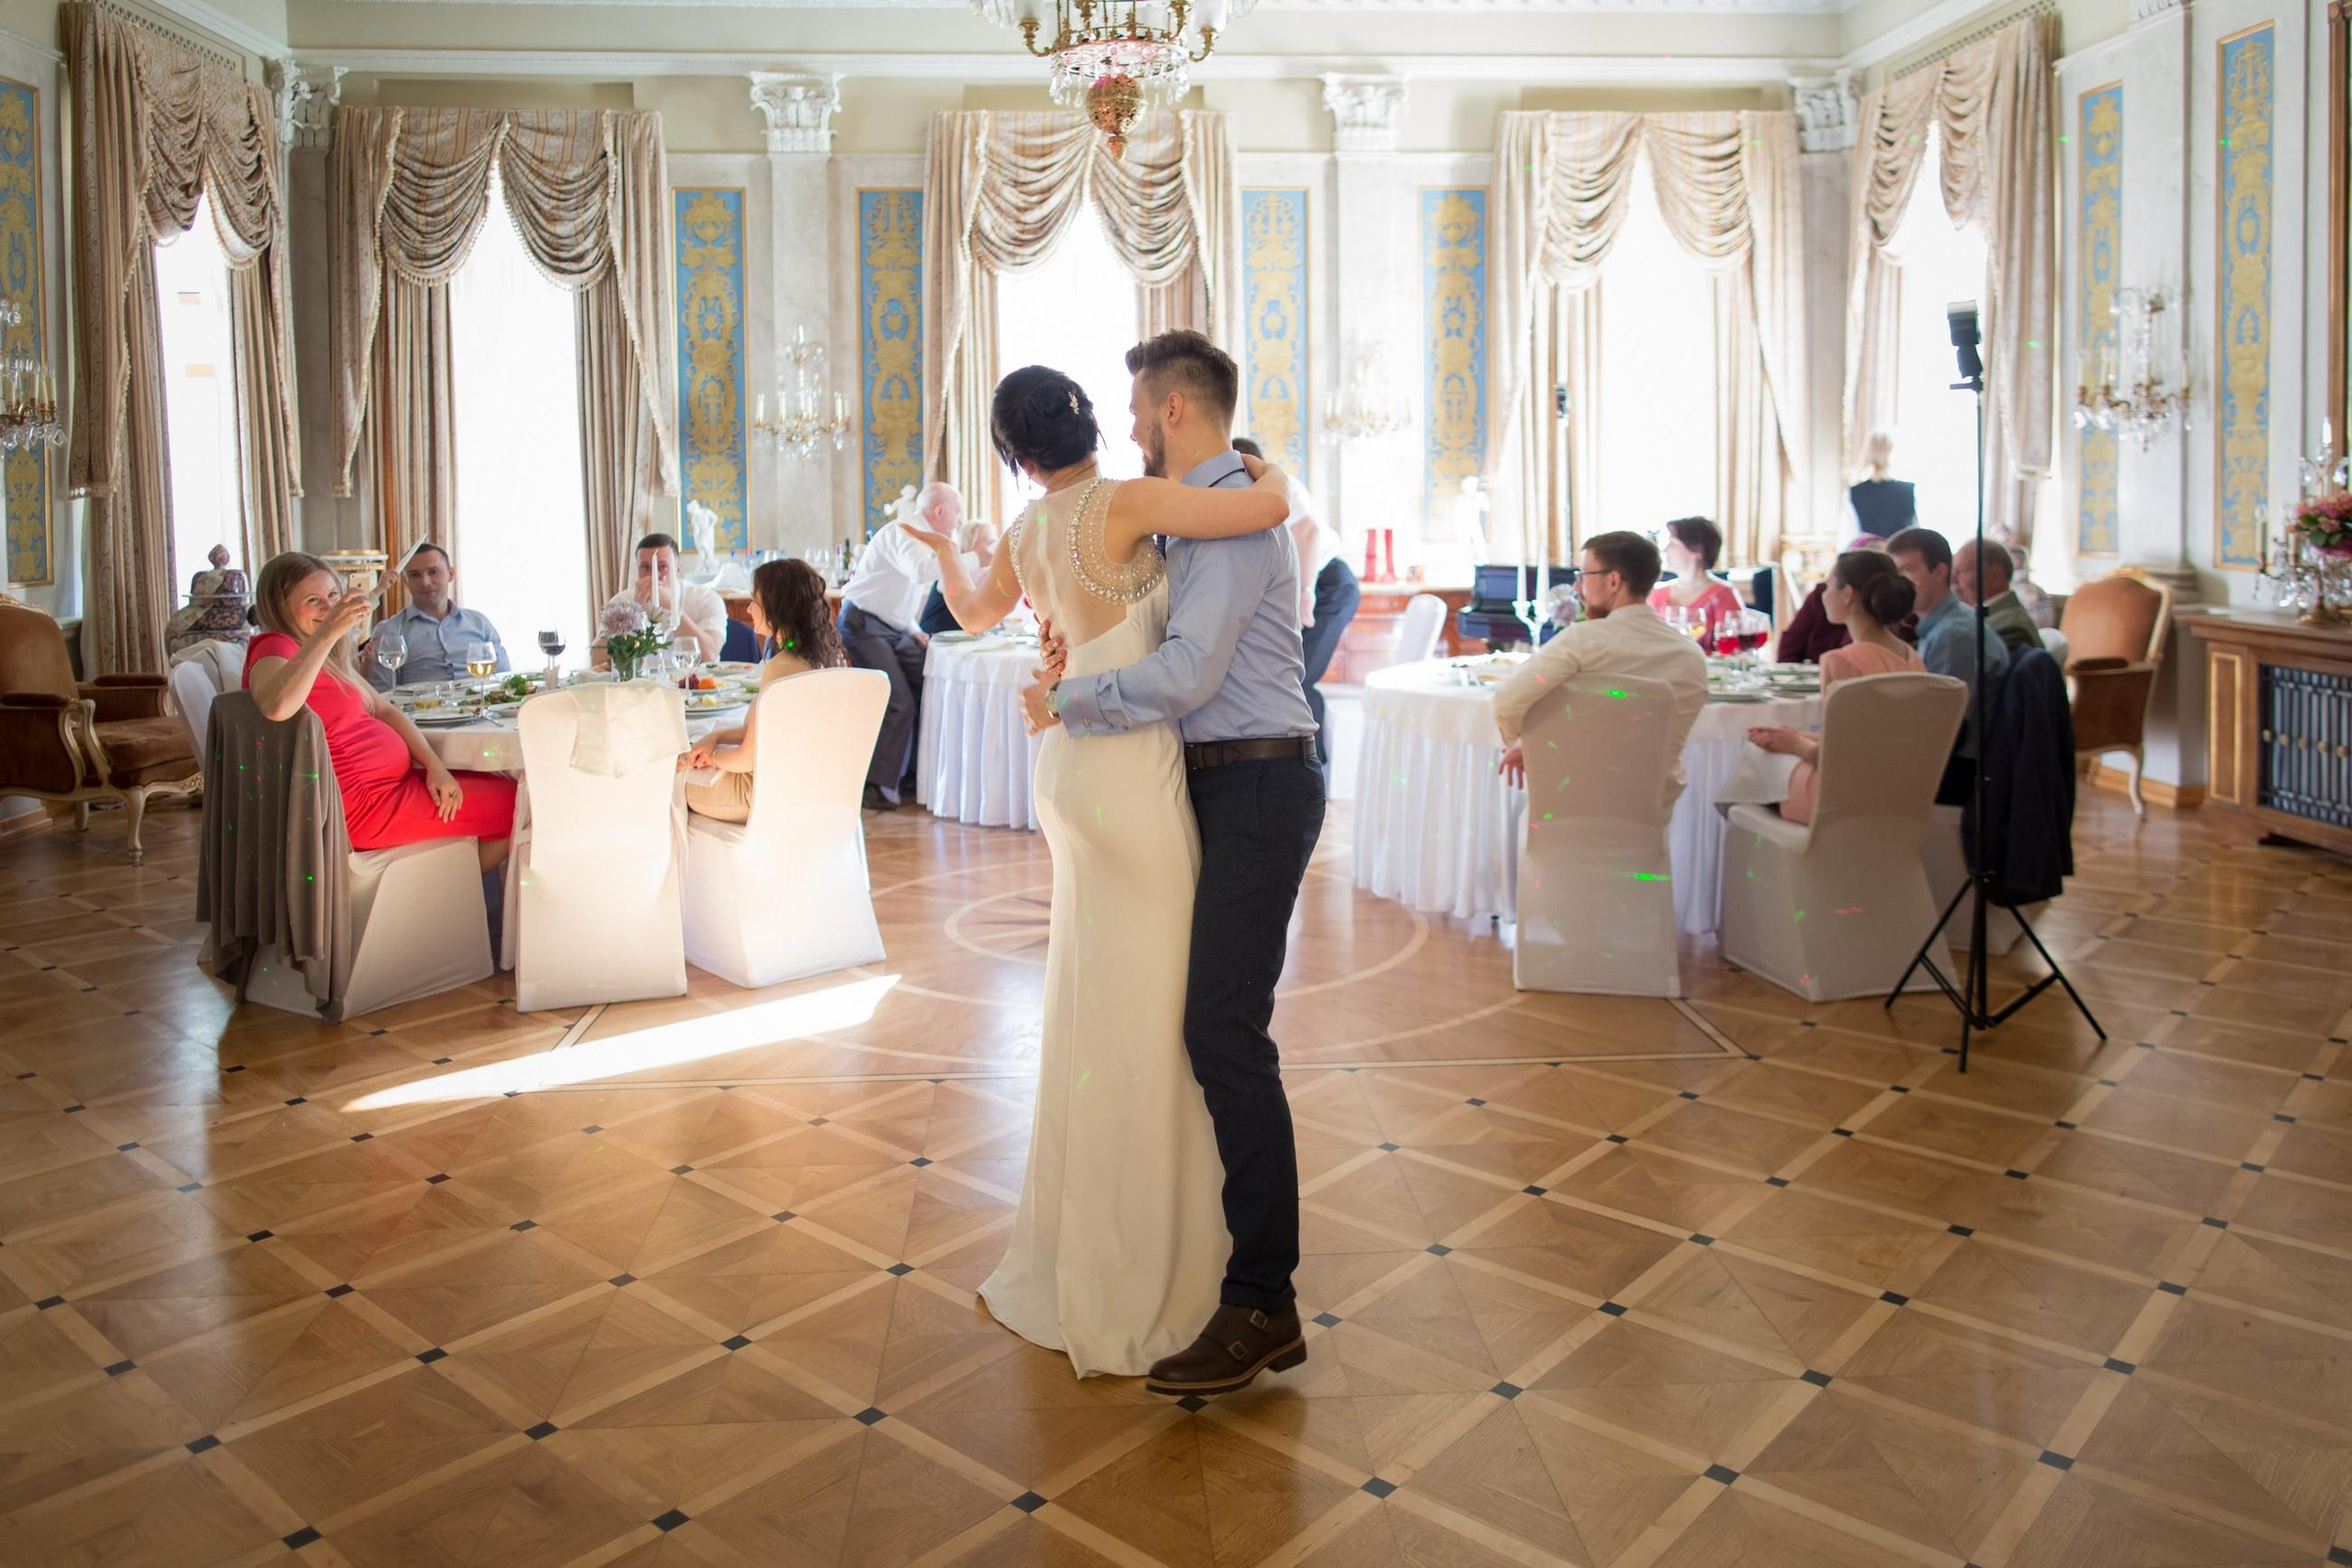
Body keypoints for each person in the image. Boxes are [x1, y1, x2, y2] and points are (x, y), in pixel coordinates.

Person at [910, 336, 1309, 1395]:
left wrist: (964, 564)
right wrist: (1271, 471)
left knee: (1127, 1010)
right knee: (1165, 1018)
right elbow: (1262, 520)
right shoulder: (1138, 504)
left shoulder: (1053, 525)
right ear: (1089, 423)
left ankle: (1171, 1267)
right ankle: (1181, 1271)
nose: (1134, 424)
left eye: (1145, 407)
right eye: (1118, 413)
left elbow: (981, 615)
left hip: (1094, 771)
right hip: (1136, 775)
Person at [243, 553, 515, 871]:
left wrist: (434, 764)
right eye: (313, 600)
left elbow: (383, 709)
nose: (329, 609)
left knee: (503, 783)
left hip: (391, 789)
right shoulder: (274, 646)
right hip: (365, 807)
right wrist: (328, 633)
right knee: (517, 803)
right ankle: (449, 898)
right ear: (280, 606)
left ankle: (453, 891)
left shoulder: (321, 657)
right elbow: (276, 706)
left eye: (333, 596)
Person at [1494, 530, 1709, 811]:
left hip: (1564, 810)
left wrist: (1522, 745)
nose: (1576, 587)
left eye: (1583, 576)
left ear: (1613, 580)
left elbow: (1506, 701)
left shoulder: (1582, 641)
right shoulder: (1690, 656)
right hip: (1649, 816)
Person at [1744, 550, 1928, 823]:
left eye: (1828, 585)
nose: (1823, 594)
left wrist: (1795, 744)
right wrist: (1795, 736)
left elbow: (1840, 759)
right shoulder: (1910, 656)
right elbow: (1871, 740)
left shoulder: (1842, 662)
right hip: (1896, 795)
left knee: (1750, 771)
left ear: (1847, 593)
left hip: (1843, 798)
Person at [840, 480, 980, 809]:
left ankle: (917, 774)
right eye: (958, 512)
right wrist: (975, 557)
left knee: (930, 680)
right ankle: (878, 786)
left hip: (891, 626)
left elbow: (895, 593)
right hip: (862, 624)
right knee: (897, 700)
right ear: (941, 511)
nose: (959, 520)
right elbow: (919, 572)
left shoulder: (923, 536)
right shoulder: (906, 531)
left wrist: (912, 628)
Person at [677, 559, 843, 823]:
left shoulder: (781, 666)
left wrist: (711, 756)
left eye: (755, 600)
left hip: (757, 796)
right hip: (801, 789)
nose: (749, 608)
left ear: (778, 607)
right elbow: (767, 733)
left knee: (666, 781)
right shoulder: (819, 658)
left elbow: (746, 760)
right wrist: (715, 737)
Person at [1234, 436, 1357, 789]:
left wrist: (1305, 594)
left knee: (1299, 680)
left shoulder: (1279, 483)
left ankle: (1312, 777)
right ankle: (1308, 772)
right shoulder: (1247, 497)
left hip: (1329, 586)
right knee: (1292, 679)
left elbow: (1309, 532)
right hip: (1308, 588)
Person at [1887, 525, 2009, 806]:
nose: (1898, 583)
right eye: (1895, 574)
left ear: (1940, 572)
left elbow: (1942, 728)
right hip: (1955, 761)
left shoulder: (1953, 635)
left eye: (1907, 570)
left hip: (1959, 774)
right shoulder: (1944, 625)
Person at [362, 542, 510, 690]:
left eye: (433, 572)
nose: (425, 582)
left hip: (481, 707)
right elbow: (383, 696)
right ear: (406, 581)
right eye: (415, 575)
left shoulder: (479, 623)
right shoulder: (390, 631)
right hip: (419, 711)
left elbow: (505, 681)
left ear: (451, 574)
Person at [600, 534, 726, 664]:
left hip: (693, 680)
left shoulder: (706, 599)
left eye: (662, 566)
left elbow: (709, 654)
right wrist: (633, 617)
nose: (654, 574)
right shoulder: (622, 601)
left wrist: (673, 607)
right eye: (645, 567)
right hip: (640, 682)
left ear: (677, 568)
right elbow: (597, 659)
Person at [1647, 516, 1743, 651]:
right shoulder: (1657, 593)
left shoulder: (1723, 594)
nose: (1665, 550)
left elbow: (1735, 648)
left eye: (1673, 544)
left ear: (1697, 550)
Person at [1952, 538, 2041, 654]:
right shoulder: (1994, 617)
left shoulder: (2011, 629)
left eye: (1961, 571)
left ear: (1996, 577)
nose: (1953, 580)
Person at [1846, 429, 1917, 538]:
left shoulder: (1854, 492)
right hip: (1901, 553)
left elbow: (1848, 538)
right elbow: (1917, 532)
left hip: (1868, 553)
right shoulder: (1908, 490)